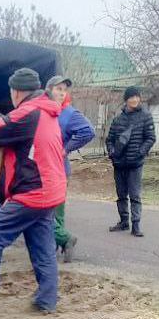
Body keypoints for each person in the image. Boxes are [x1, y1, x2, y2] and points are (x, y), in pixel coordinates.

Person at [0, 68, 67, 313]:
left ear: (17, 91)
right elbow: (27, 140)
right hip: (51, 190)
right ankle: (47, 300)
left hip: (34, 190)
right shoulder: (47, 110)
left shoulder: (29, 111)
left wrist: (5, 141)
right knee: (42, 247)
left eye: (11, 92)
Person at [45, 76, 94, 262]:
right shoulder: (46, 110)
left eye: (64, 89)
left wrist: (66, 149)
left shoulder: (68, 113)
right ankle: (59, 245)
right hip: (48, 169)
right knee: (55, 212)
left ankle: (63, 240)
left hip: (57, 170)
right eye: (58, 88)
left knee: (50, 211)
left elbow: (88, 131)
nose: (62, 92)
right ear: (48, 89)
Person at [106, 86, 156, 237]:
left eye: (136, 97)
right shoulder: (118, 119)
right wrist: (112, 152)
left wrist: (140, 153)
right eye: (131, 97)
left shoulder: (146, 116)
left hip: (135, 164)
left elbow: (151, 138)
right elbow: (110, 139)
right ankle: (123, 222)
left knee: (135, 195)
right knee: (121, 195)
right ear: (126, 100)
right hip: (119, 164)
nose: (134, 100)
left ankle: (136, 225)